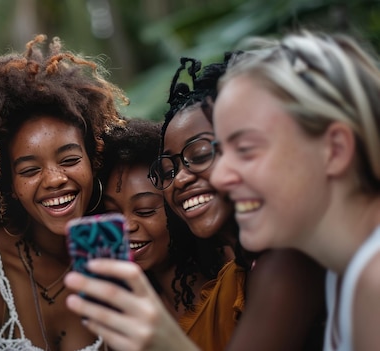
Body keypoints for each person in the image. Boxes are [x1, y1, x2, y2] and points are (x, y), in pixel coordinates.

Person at [64, 54, 326, 351]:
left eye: (200, 155)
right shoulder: (246, 270)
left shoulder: (288, 262)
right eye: (168, 170)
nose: (180, 179)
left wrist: (163, 338)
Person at [0, 34, 125, 351]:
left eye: (69, 160)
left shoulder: (118, 249)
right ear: (8, 184)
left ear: (93, 161)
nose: (53, 179)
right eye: (29, 170)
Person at [209, 31, 380, 351]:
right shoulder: (340, 272)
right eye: (220, 151)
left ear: (335, 149)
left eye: (245, 149)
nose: (218, 177)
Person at [98, 118, 206, 320]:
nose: (126, 226)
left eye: (145, 210)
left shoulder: (232, 289)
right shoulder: (129, 317)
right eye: (112, 214)